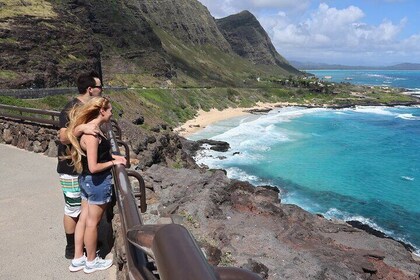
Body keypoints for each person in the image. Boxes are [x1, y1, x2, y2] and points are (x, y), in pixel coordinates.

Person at [66, 97, 126, 273]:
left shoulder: (92, 129)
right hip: (96, 182)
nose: (112, 113)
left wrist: (113, 158)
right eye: (110, 110)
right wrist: (113, 164)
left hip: (86, 181)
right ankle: (91, 261)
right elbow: (94, 166)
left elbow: (99, 156)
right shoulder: (92, 134)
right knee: (92, 223)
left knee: (84, 218)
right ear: (102, 111)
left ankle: (78, 258)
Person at [57, 71, 102, 259]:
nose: (102, 91)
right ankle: (70, 248)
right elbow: (63, 137)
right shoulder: (70, 109)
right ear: (90, 89)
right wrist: (82, 128)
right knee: (73, 209)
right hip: (70, 169)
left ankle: (84, 241)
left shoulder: (88, 108)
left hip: (82, 168)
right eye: (100, 87)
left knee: (83, 209)